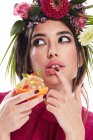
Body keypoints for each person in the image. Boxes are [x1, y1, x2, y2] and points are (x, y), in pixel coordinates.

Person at [0, 0, 93, 139]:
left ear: (80, 58)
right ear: (29, 59)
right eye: (39, 42)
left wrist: (76, 134)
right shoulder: (3, 107)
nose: (52, 51)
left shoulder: (90, 127)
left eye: (63, 39)